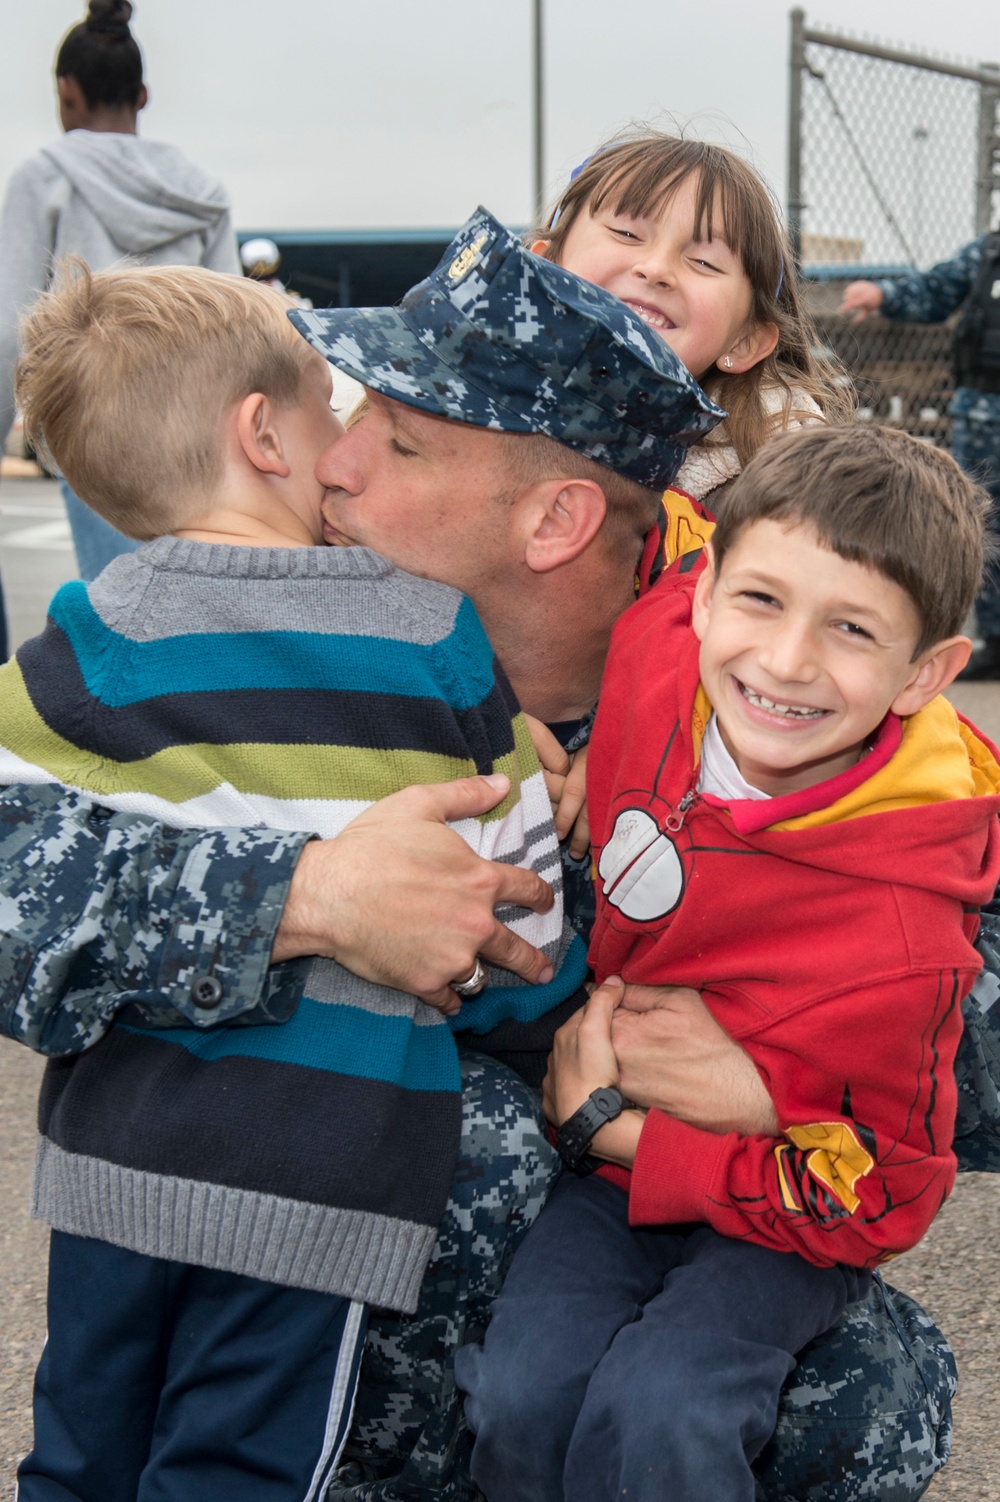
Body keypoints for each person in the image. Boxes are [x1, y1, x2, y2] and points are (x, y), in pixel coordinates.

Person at [0, 208, 983, 1502]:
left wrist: (773, 1078)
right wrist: (297, 897)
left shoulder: (799, 697)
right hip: (290, 1259)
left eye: (397, 439)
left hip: (675, 1211)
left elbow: (960, 1041)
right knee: (468, 1149)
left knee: (866, 1384)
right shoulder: (236, 636)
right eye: (346, 408)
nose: (332, 463)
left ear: (556, 520)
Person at [456, 423, 1000, 1501]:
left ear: (924, 673)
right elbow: (659, 539)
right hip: (607, 1181)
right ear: (703, 595)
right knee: (519, 1390)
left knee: (669, 1408)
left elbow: (882, 1190)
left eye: (852, 628)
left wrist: (629, 1132)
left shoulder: (903, 938)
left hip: (784, 1214)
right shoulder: (664, 641)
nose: (787, 660)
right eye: (759, 601)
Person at [0, 0, 239, 583]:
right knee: (191, 604)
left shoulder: (46, 177)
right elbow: (238, 322)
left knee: (119, 606)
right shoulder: (199, 190)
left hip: (92, 426)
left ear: (66, 91)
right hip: (194, 437)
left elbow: (10, 325)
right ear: (143, 95)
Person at [839, 234, 1000, 677]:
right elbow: (935, 291)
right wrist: (883, 294)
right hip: (985, 413)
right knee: (983, 525)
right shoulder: (989, 252)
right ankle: (995, 639)